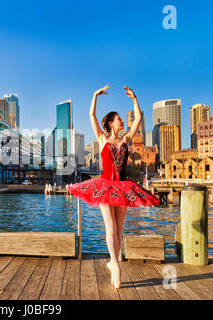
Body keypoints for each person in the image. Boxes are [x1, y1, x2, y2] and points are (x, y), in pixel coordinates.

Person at [67, 84, 160, 289]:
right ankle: (116, 266)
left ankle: (113, 264)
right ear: (111, 123)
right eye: (119, 119)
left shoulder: (126, 139)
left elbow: (138, 120)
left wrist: (134, 99)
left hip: (123, 187)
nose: (123, 122)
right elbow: (91, 114)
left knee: (118, 229)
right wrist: (94, 95)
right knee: (110, 227)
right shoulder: (101, 138)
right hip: (105, 187)